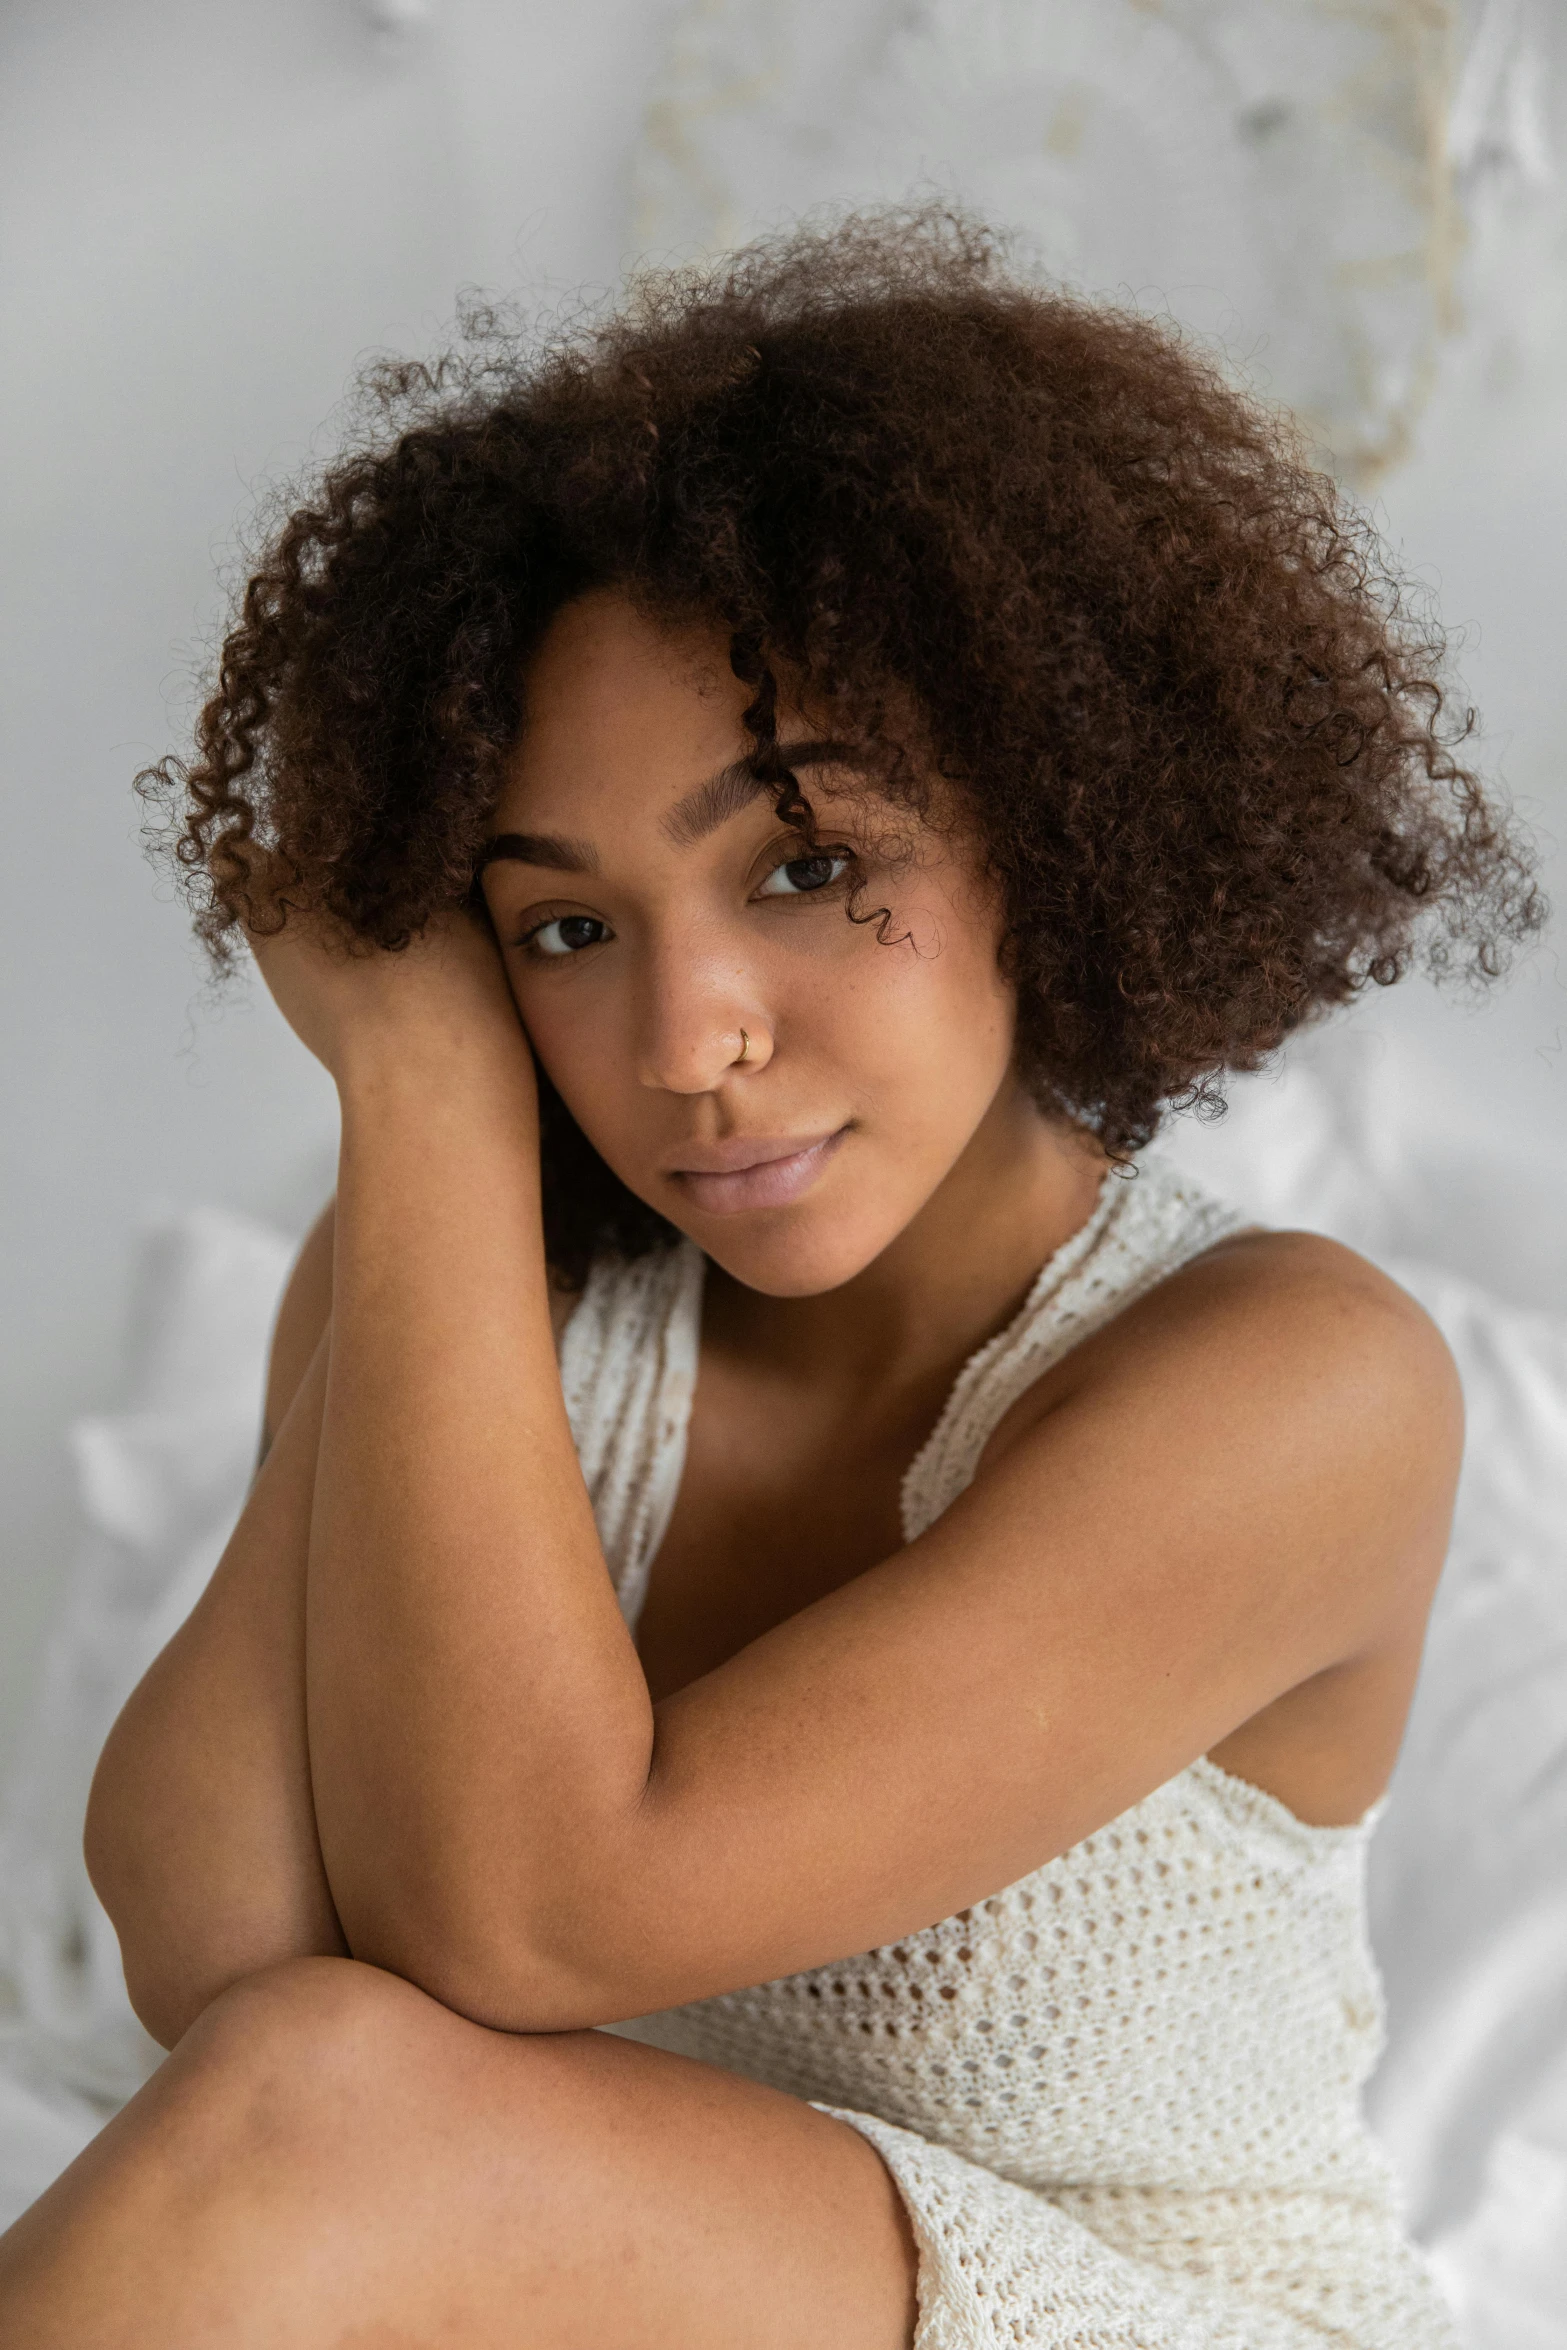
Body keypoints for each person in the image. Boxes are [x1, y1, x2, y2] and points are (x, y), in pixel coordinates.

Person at [0, 212, 1539, 2348]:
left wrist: (439, 1089)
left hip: (1136, 2314)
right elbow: (228, 1939)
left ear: (1051, 821)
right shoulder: (483, 1269)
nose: (685, 1037)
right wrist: (420, 1116)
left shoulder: (1294, 1383)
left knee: (315, 2115)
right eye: (561, 927)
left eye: (807, 868)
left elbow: (515, 1933)